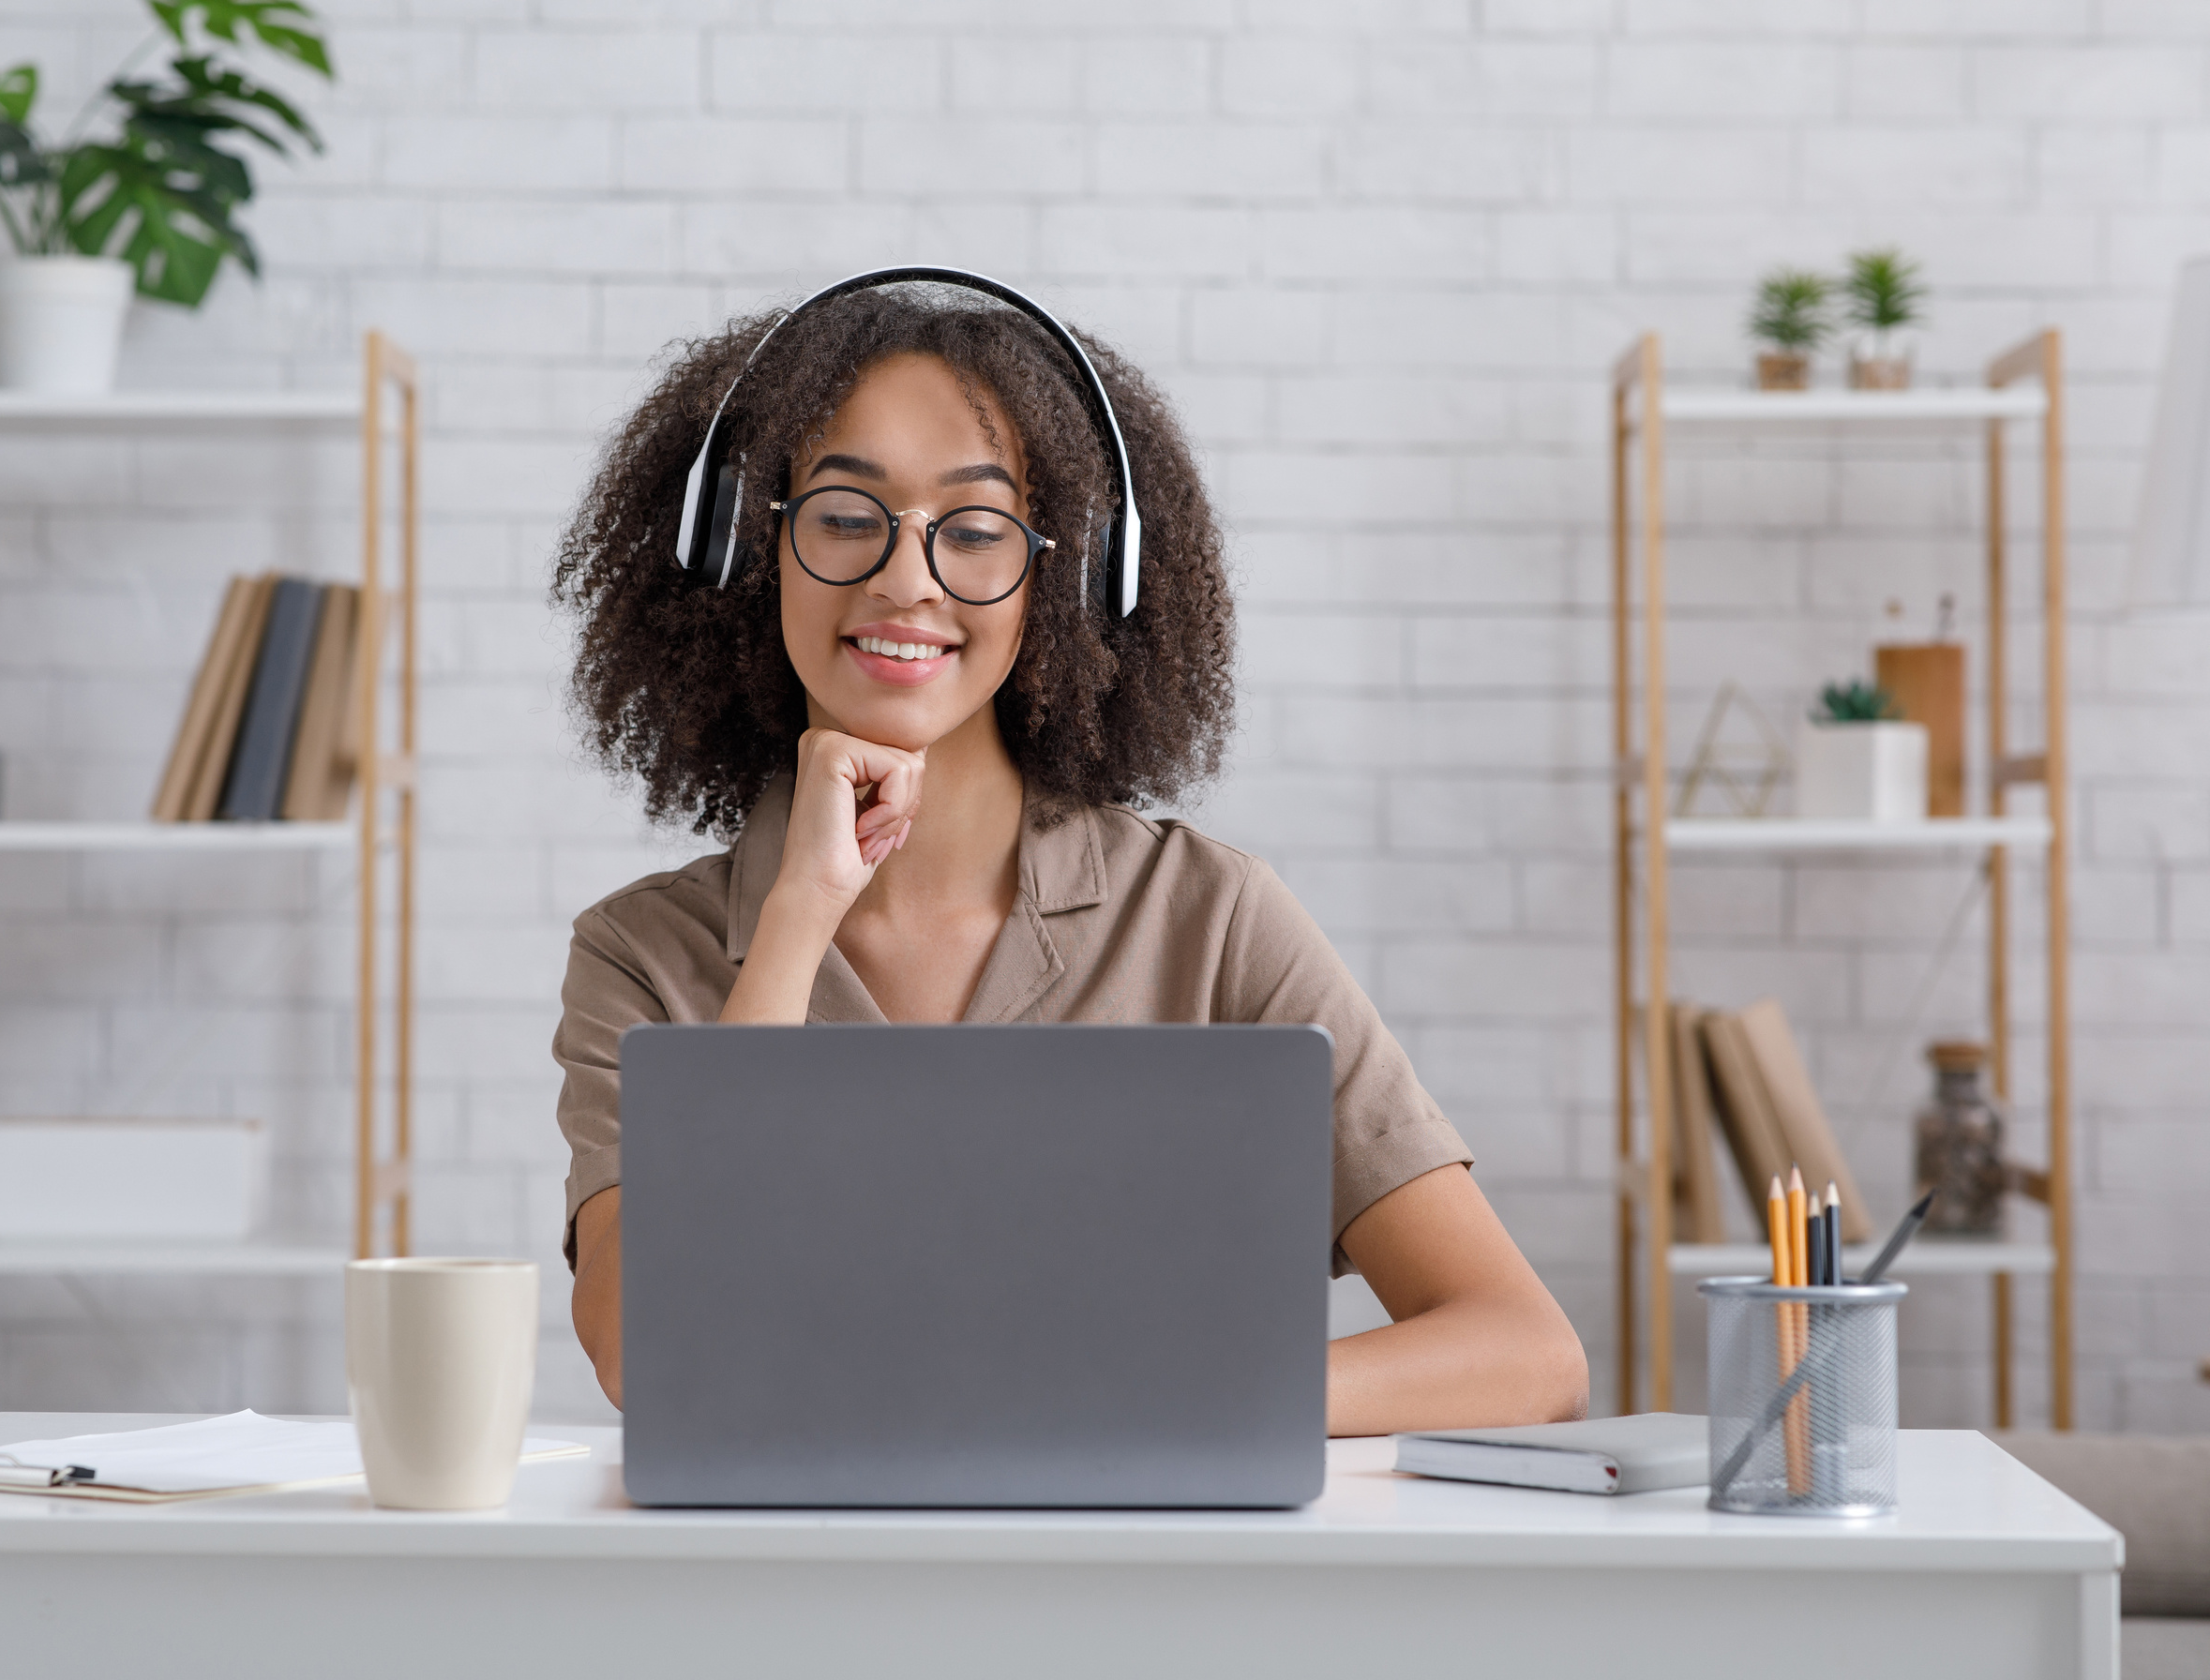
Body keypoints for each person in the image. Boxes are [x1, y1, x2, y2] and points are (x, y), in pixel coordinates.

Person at [549, 277, 1587, 1435]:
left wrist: (1147, 1398)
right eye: (844, 515)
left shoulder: (1210, 919)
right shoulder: (643, 958)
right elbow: (651, 1355)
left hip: (1145, 1606)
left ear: (1070, 578)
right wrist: (797, 916)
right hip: (806, 1599)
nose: (907, 578)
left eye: (979, 529)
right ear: (755, 552)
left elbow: (1524, 1351)